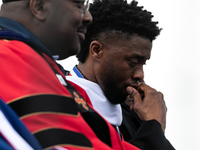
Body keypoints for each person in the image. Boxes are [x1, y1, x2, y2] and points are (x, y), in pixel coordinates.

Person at [0, 0, 140, 150]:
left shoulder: (39, 63)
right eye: (79, 5)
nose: (88, 17)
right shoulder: (10, 58)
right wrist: (154, 128)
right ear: (39, 6)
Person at [66, 0, 175, 149]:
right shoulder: (62, 102)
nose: (140, 75)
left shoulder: (133, 115)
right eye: (133, 61)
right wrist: (155, 127)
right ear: (97, 50)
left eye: (144, 63)